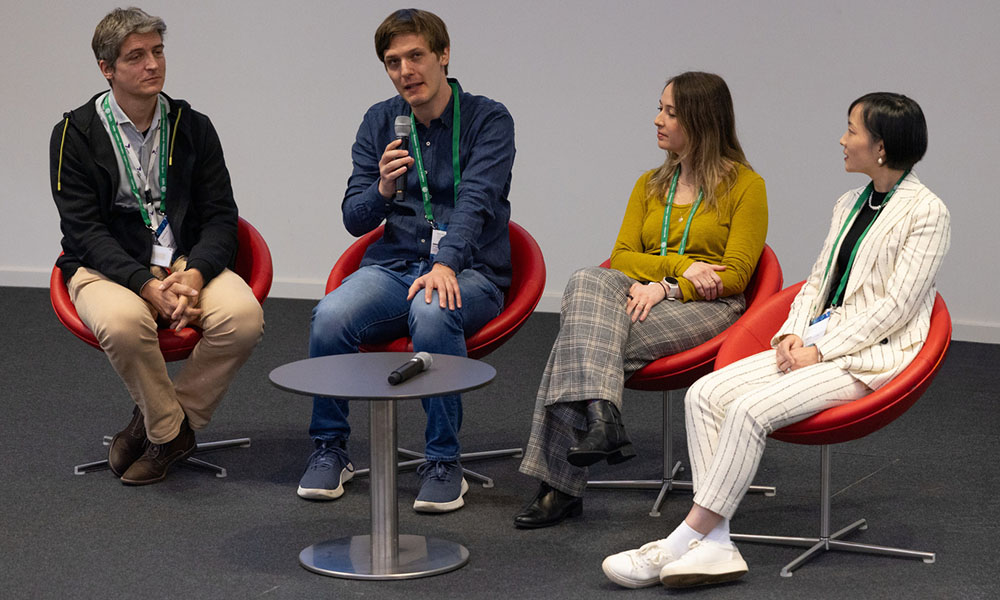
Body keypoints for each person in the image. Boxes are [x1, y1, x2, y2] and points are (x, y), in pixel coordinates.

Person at [601, 92, 950, 589]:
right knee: (704, 394)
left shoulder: (927, 213)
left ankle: (679, 542)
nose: (842, 139)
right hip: (818, 338)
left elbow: (894, 307)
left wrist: (820, 350)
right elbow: (816, 283)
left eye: (852, 130)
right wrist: (790, 334)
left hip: (870, 358)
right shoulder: (849, 202)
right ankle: (717, 546)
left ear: (881, 147)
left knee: (748, 411)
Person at [515, 72, 768, 528]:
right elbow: (624, 257)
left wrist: (671, 287)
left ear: (701, 120)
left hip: (708, 307)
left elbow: (736, 274)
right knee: (587, 278)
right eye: (660, 108)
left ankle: (561, 485)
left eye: (670, 113)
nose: (658, 120)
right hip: (642, 292)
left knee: (577, 344)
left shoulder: (747, 186)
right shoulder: (650, 184)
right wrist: (675, 269)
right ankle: (601, 417)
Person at [300, 8, 515, 514]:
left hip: (471, 269)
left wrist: (447, 264)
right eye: (393, 62)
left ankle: (443, 460)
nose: (405, 71)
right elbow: (355, 218)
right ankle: (330, 449)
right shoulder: (380, 122)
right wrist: (383, 187)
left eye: (416, 56)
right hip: (395, 266)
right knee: (330, 316)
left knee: (433, 309)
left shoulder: (489, 119)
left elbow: (476, 202)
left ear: (443, 56)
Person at [49, 8, 264, 486]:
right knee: (125, 325)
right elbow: (83, 232)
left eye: (158, 52)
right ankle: (170, 434)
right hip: (108, 267)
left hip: (183, 260)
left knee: (243, 319)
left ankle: (158, 421)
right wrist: (144, 283)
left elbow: (221, 216)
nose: (153, 65)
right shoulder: (73, 135)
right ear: (107, 68)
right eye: (137, 56)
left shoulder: (194, 126)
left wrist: (195, 273)